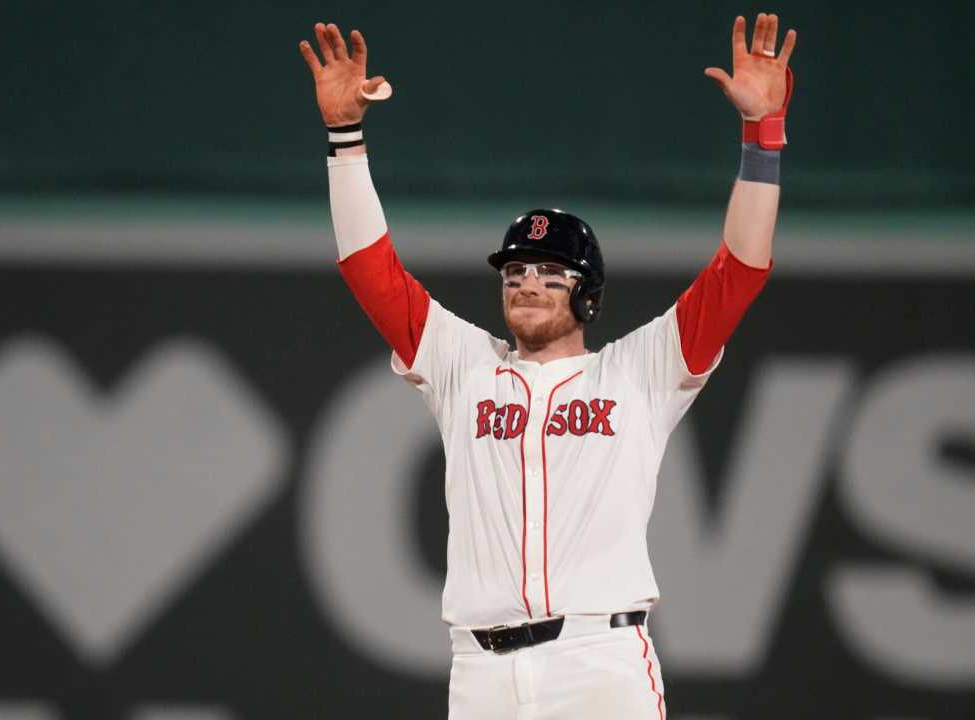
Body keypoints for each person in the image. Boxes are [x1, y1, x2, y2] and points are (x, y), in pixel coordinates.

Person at [299, 13, 796, 719]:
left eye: (551, 271)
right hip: (481, 672)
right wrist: (345, 142)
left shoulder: (639, 372)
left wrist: (762, 136)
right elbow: (368, 268)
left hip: (599, 663)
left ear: (587, 294)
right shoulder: (461, 365)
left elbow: (740, 268)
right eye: (517, 268)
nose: (528, 280)